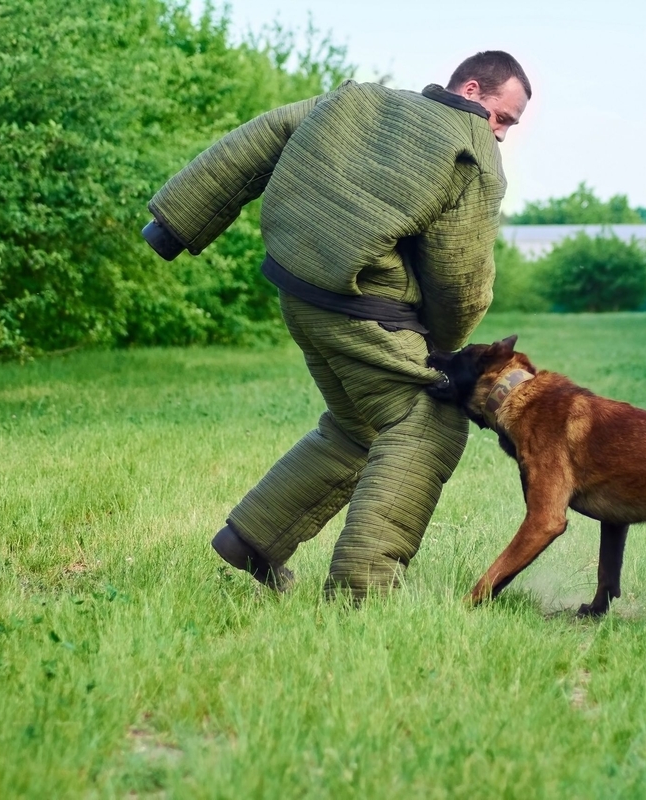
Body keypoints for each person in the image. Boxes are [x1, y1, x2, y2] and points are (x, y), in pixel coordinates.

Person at [141, 51, 531, 600]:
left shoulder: (358, 100)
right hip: (361, 307)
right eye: (503, 117)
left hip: (297, 290)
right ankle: (361, 592)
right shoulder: (473, 154)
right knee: (429, 422)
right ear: (472, 90)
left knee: (361, 427)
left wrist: (175, 223)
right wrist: (442, 349)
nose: (502, 134)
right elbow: (459, 280)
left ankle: (251, 540)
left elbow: (263, 137)